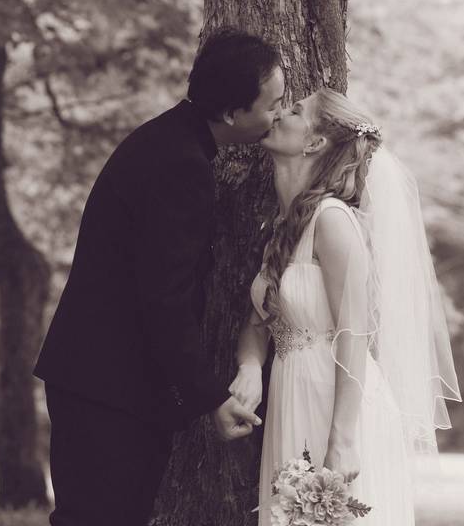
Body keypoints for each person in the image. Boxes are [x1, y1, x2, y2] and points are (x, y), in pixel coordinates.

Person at [33, 29, 285, 526]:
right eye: (274, 104)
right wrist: (211, 397)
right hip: (106, 391)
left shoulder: (168, 140)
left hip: (100, 383)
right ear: (234, 113)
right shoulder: (180, 167)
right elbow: (164, 299)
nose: (279, 114)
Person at [230, 88, 462, 525]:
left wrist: (343, 437)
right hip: (291, 396)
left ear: (315, 142)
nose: (281, 112)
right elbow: (258, 323)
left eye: (295, 110)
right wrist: (248, 366)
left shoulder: (333, 221)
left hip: (339, 405)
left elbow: (355, 334)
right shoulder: (283, 225)